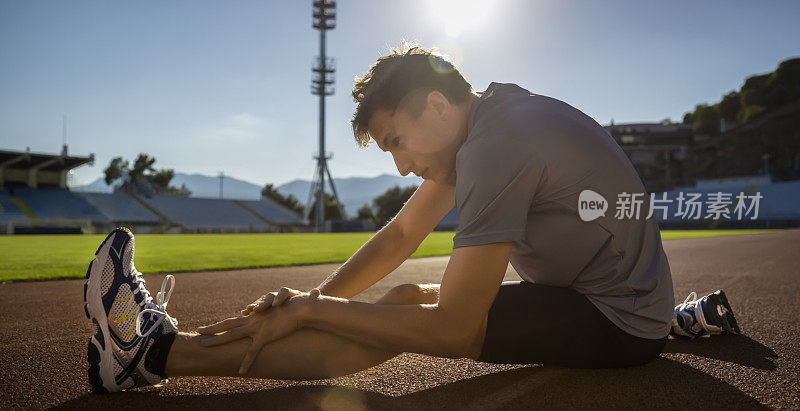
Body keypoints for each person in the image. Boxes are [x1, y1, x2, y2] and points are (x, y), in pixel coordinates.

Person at [83, 44, 740, 393]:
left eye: (396, 141)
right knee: (396, 299)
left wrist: (310, 308)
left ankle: (156, 353)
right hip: (615, 296)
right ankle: (156, 352)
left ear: (433, 106)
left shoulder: (497, 146)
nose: (398, 166)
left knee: (408, 311)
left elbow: (455, 328)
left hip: (615, 320)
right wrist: (317, 296)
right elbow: (402, 233)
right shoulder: (490, 116)